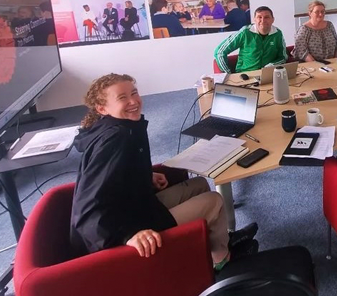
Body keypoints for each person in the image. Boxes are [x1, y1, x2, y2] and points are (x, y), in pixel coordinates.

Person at [69, 74, 258, 272]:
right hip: (122, 228)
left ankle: (221, 242)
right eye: (122, 97)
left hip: (134, 208)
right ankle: (221, 260)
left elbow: (113, 174)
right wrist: (127, 236)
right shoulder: (115, 140)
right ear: (102, 108)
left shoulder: (120, 127)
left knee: (200, 185)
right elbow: (87, 209)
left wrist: (145, 175)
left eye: (134, 93)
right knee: (214, 200)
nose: (133, 101)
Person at [214, 6, 288, 73]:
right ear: (254, 20)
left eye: (267, 17)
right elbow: (220, 51)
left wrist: (271, 65)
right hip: (246, 75)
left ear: (273, 20)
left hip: (268, 75)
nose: (263, 20)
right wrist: (228, 73)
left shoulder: (277, 34)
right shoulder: (245, 32)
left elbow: (283, 57)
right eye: (259, 17)